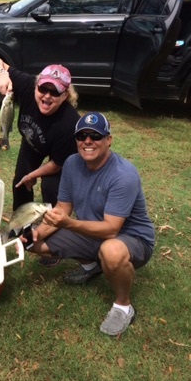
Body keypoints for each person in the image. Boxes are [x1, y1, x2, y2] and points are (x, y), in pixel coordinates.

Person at [26, 112, 155, 336]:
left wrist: (68, 224)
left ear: (109, 140)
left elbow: (112, 229)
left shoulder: (123, 175)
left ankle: (123, 306)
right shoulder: (72, 163)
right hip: (92, 231)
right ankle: (91, 266)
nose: (87, 141)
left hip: (131, 238)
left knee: (111, 251)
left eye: (95, 136)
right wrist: (36, 233)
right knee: (34, 242)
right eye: (82, 135)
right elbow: (63, 209)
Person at [0, 58, 80, 210]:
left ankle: (52, 226)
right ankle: (21, 226)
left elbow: (57, 164)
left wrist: (34, 175)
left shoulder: (69, 123)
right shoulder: (26, 86)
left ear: (65, 96)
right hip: (32, 143)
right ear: (36, 86)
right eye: (43, 89)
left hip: (59, 157)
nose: (47, 96)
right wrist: (2, 74)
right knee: (21, 182)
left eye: (55, 92)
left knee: (51, 187)